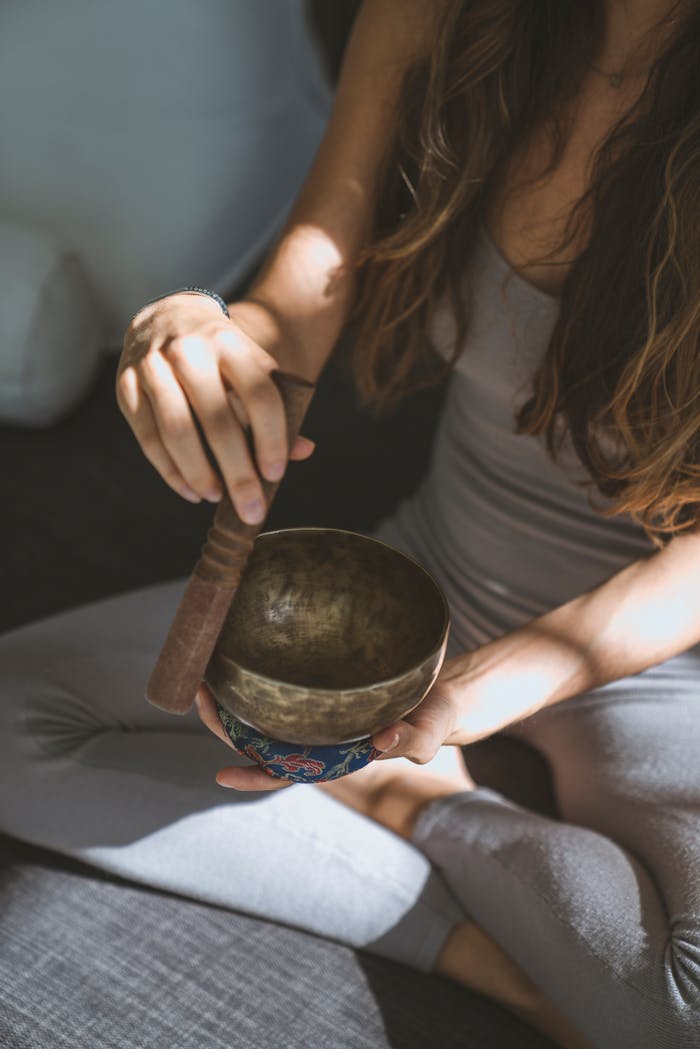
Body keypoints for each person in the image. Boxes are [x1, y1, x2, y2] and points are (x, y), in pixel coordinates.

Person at [1, 1, 699, 1046]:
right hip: (437, 572)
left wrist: (473, 702)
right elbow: (301, 292)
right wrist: (187, 323)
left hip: (660, 664)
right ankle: (500, 967)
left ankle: (408, 802)